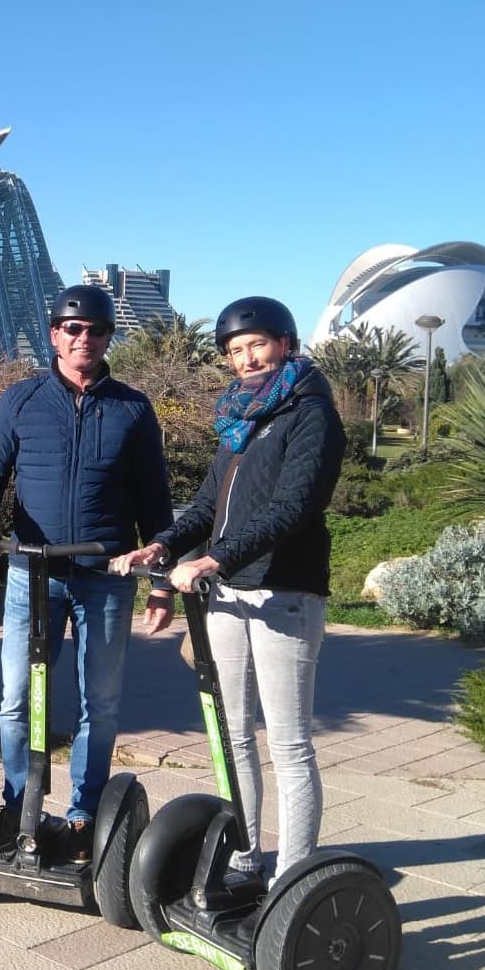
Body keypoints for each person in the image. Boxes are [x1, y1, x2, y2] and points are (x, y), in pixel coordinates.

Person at [110, 296, 345, 885]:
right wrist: (161, 547)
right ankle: (244, 857)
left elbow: (294, 507)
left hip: (282, 594)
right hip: (228, 594)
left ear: (285, 344)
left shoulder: (311, 413)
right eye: (236, 350)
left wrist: (214, 557)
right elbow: (207, 505)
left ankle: (293, 879)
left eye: (257, 345)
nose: (246, 358)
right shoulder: (242, 422)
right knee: (231, 732)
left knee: (289, 745)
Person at [0, 284, 176, 857]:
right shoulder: (21, 399)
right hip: (31, 575)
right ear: (55, 333)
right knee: (15, 698)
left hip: (107, 575)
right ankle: (19, 805)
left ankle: (84, 815)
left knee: (100, 704)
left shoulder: (132, 407)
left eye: (96, 331)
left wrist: (161, 582)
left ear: (109, 338)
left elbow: (157, 501)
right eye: (73, 329)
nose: (84, 339)